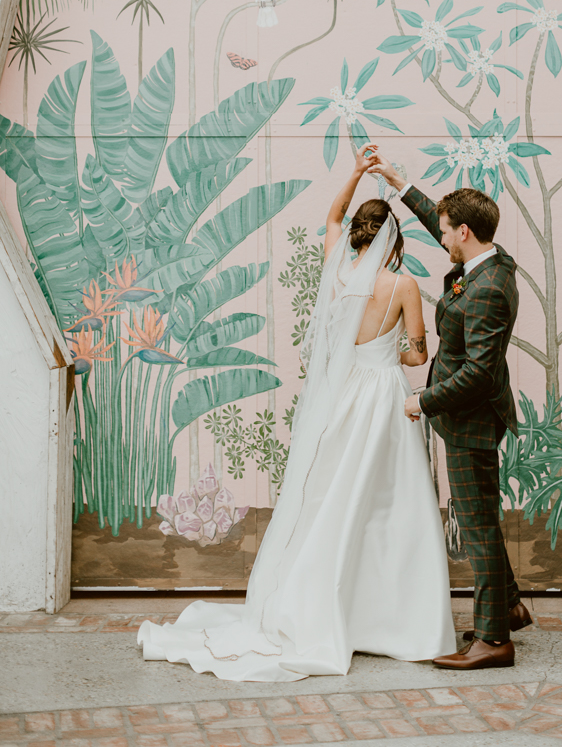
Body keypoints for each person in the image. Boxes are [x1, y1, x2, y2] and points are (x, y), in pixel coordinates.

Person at [137, 144, 455, 682]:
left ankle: (317, 602)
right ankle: (393, 619)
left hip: (339, 397)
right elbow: (419, 353)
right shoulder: (404, 286)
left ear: (356, 234)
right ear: (394, 242)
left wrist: (356, 172)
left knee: (330, 498)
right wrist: (393, 353)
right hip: (381, 397)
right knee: (390, 504)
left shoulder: (336, 275)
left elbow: (331, 216)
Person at [368, 151, 532, 671]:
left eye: (444, 232)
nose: (439, 238)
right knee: (481, 515)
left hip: (471, 420)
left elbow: (480, 373)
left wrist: (423, 399)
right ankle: (508, 606)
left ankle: (493, 640)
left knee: (479, 524)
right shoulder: (486, 262)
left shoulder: (485, 289)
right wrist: (400, 183)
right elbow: (435, 218)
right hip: (470, 416)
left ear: (464, 231)